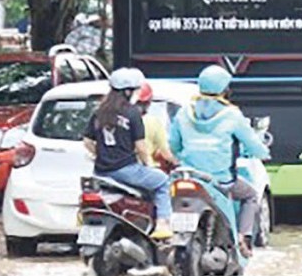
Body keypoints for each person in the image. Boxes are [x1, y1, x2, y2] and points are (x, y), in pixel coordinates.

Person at [168, 65, 270, 257]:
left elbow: (173, 145)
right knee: (250, 196)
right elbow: (254, 145)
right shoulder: (232, 115)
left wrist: (183, 156)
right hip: (221, 180)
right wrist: (264, 152)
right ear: (225, 90)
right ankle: (243, 237)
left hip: (189, 177)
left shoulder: (184, 112)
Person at [83, 68, 173, 240]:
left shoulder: (99, 111)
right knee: (162, 181)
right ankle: (162, 224)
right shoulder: (132, 113)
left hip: (101, 172)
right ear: (127, 91)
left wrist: (102, 155)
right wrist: (148, 165)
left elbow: (87, 141)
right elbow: (141, 146)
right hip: (126, 170)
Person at [132, 81, 178, 169]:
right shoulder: (154, 122)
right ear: (149, 102)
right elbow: (165, 152)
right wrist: (176, 163)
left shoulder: (120, 119)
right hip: (147, 168)